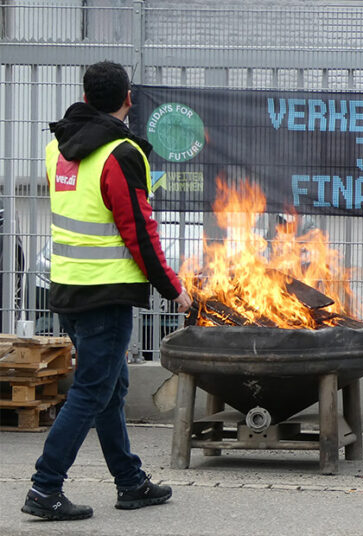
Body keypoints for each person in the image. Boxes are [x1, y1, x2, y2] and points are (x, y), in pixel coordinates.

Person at [22, 61, 193, 521]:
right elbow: (138, 230)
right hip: (106, 296)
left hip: (67, 290)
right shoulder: (120, 154)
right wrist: (172, 287)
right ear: (129, 99)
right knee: (92, 391)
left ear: (86, 94)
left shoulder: (56, 149)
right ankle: (45, 487)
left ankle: (130, 482)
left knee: (110, 387)